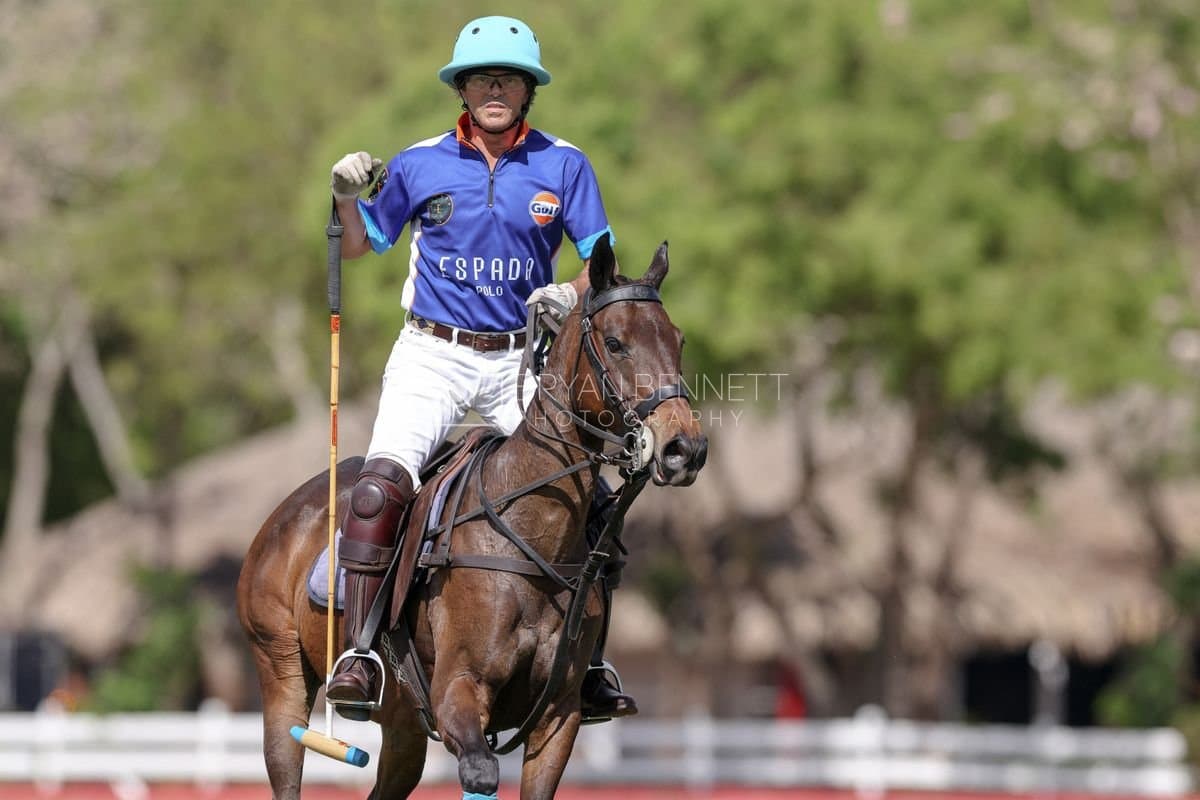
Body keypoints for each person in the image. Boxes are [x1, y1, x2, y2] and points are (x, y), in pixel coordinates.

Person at [325, 15, 635, 723]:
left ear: (528, 92)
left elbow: (601, 264)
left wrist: (571, 291)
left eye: (509, 78)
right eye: (482, 78)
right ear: (461, 89)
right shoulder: (417, 163)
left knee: (589, 498)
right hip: (433, 355)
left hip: (521, 360)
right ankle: (362, 651)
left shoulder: (565, 164)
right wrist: (344, 196)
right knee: (377, 492)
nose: (495, 89)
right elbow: (354, 246)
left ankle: (587, 663)